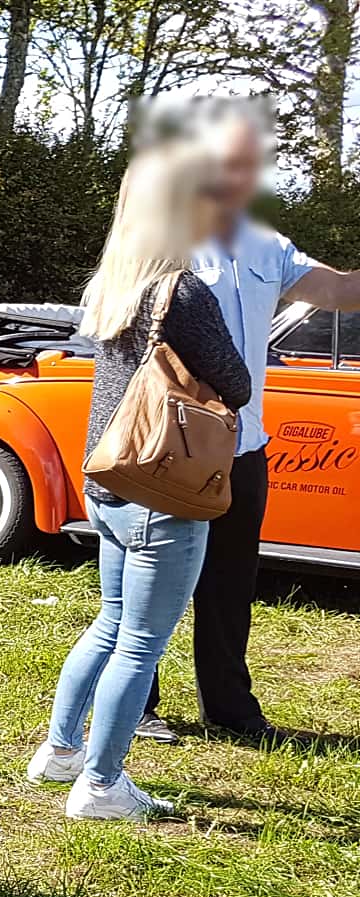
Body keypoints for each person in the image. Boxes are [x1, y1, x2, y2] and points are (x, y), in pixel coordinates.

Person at [29, 142, 252, 821]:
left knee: (110, 623)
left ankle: (60, 752)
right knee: (140, 643)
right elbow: (236, 385)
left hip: (109, 479)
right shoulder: (184, 291)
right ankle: (100, 786)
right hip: (162, 491)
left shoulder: (110, 286)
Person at [136, 107, 360, 744]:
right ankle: (138, 705)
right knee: (153, 584)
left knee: (231, 587)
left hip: (244, 446)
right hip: (172, 443)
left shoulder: (267, 245)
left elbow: (341, 290)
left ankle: (231, 711)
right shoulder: (161, 237)